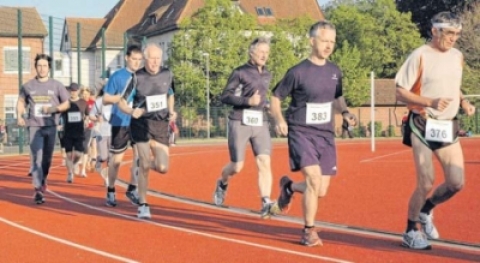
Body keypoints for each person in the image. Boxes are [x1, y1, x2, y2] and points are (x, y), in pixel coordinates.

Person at [269, 21, 356, 246]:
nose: (329, 46)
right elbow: (276, 97)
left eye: (332, 42)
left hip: (325, 135)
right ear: (312, 41)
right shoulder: (297, 72)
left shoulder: (335, 71)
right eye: (324, 40)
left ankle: (289, 187)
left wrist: (345, 112)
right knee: (314, 178)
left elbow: (338, 96)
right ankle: (308, 231)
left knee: (321, 190)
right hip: (301, 132)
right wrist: (279, 119)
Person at [395, 12, 475, 250]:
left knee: (456, 182)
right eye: (449, 33)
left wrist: (463, 102)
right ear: (434, 31)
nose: (453, 39)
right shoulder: (419, 55)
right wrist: (429, 102)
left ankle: (426, 211)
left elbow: (453, 83)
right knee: (426, 182)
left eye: (457, 34)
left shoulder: (457, 56)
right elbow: (400, 92)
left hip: (447, 124)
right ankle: (410, 230)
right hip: (422, 123)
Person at [212, 37, 276, 219]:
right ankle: (222, 182)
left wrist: (267, 104)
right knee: (237, 166)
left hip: (260, 122)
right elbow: (225, 96)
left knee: (264, 162)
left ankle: (266, 201)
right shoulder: (240, 72)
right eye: (261, 51)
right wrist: (248, 101)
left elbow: (262, 97)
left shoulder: (267, 74)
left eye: (267, 52)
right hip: (240, 121)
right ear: (251, 52)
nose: (265, 55)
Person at [118, 43, 176, 219]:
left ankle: (138, 167)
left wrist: (172, 111)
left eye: (158, 58)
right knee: (144, 165)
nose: (155, 62)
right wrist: (131, 111)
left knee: (162, 167)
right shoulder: (137, 77)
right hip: (141, 124)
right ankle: (143, 204)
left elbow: (171, 94)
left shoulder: (168, 74)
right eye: (152, 58)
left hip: (160, 125)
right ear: (145, 58)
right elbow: (121, 101)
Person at [16, 53, 70, 204]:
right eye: (39, 66)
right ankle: (38, 190)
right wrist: (20, 116)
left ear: (49, 68)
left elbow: (67, 104)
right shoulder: (28, 86)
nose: (42, 68)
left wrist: (54, 109)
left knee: (46, 159)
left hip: (51, 126)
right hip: (34, 126)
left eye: (45, 66)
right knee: (36, 159)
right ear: (35, 67)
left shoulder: (57, 85)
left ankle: (43, 178)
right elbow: (20, 102)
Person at [103, 44, 143, 207]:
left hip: (139, 122)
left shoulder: (143, 76)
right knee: (116, 160)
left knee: (140, 156)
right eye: (134, 59)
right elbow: (106, 98)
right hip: (120, 121)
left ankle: (132, 188)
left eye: (139, 60)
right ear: (127, 58)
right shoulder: (117, 76)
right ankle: (111, 190)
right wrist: (120, 98)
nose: (136, 63)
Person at [61, 83, 89, 183]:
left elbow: (87, 115)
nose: (72, 92)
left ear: (77, 91)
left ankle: (74, 164)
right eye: (71, 91)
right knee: (68, 155)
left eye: (74, 91)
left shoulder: (83, 102)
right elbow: (60, 114)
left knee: (78, 154)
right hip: (68, 132)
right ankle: (70, 174)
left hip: (79, 132)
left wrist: (87, 120)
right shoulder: (65, 103)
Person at [89, 82, 112, 185]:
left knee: (111, 157)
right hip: (102, 131)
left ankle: (107, 179)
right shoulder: (99, 102)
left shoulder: (116, 102)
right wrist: (97, 118)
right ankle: (99, 159)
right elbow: (91, 115)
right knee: (104, 156)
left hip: (114, 131)